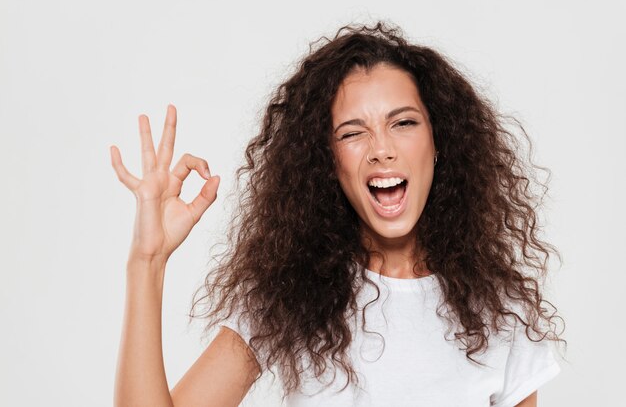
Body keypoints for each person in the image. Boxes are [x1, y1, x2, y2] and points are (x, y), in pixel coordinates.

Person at [110, 21, 566, 407]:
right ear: (327, 161)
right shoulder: (289, 297)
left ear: (439, 140)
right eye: (353, 133)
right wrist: (146, 260)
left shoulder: (501, 313)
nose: (381, 150)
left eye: (403, 123)